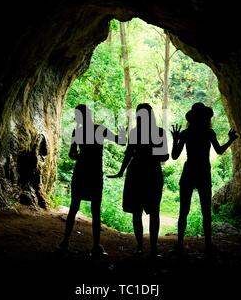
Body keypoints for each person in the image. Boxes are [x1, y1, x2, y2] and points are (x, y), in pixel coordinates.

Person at [58, 104, 125, 257]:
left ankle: (65, 242)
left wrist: (80, 156)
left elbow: (71, 154)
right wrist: (122, 131)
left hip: (80, 172)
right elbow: (121, 142)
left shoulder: (78, 131)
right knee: (96, 210)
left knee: (73, 207)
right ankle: (95, 246)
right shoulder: (100, 129)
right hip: (95, 174)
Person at [171, 102, 238, 253]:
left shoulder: (186, 133)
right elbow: (219, 151)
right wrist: (231, 140)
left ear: (192, 117)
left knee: (183, 210)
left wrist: (175, 139)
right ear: (205, 117)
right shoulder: (209, 133)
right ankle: (208, 244)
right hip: (203, 172)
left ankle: (180, 244)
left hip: (189, 171)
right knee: (206, 211)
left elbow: (174, 156)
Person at [108, 103, 169, 259]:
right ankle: (150, 248)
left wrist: (122, 171)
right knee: (152, 212)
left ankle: (141, 247)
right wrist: (121, 171)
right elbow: (164, 157)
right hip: (152, 174)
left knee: (139, 212)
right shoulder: (158, 132)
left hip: (137, 173)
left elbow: (130, 153)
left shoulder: (136, 133)